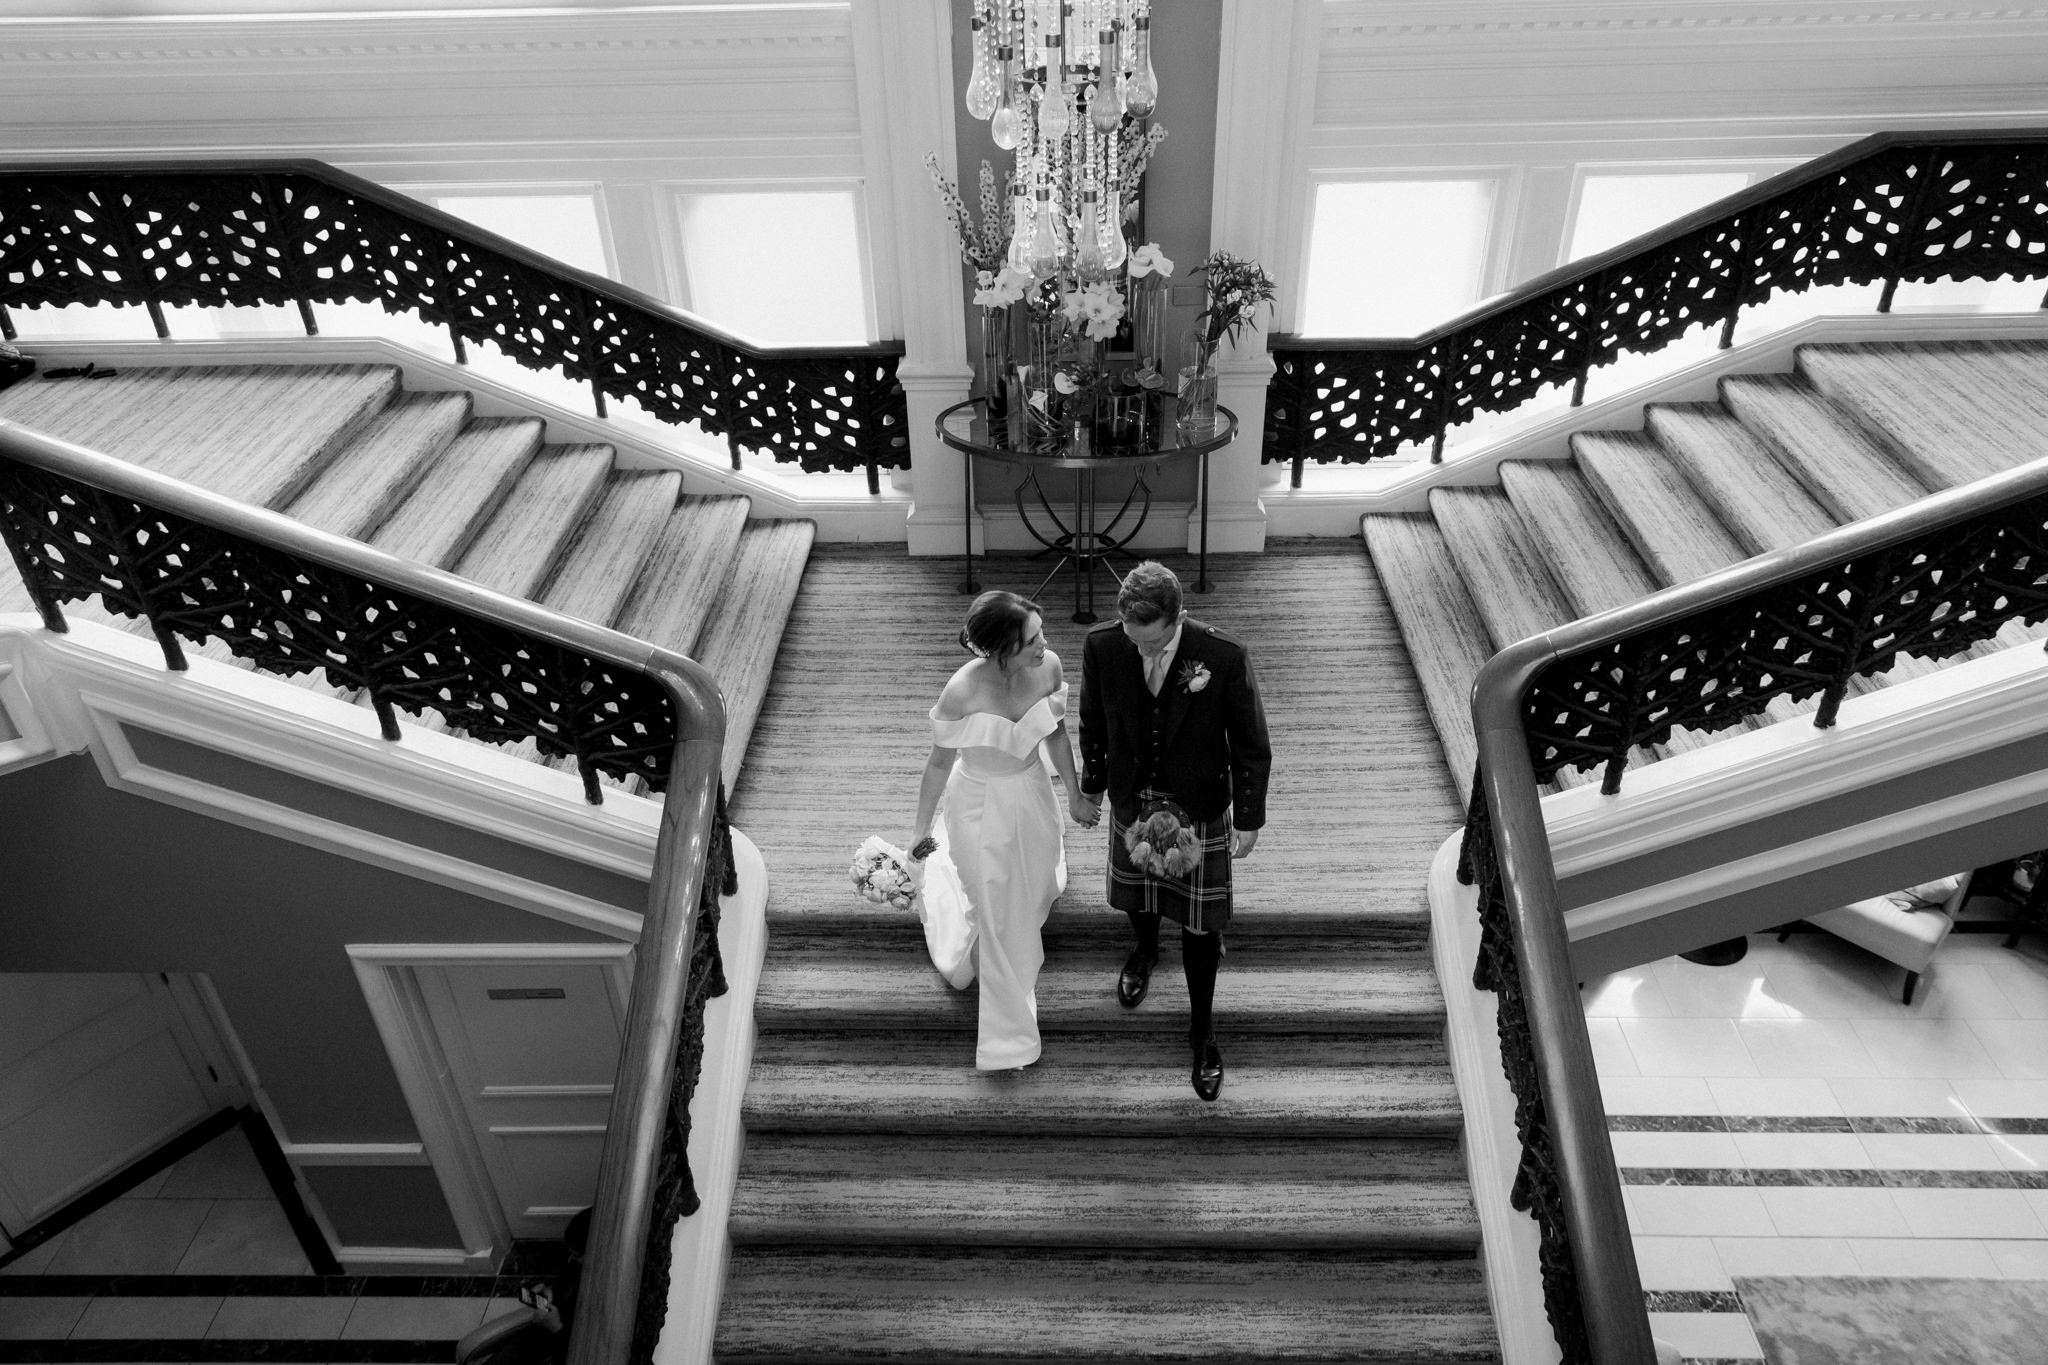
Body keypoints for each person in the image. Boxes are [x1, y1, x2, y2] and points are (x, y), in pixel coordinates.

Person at [1075, 561, 1271, 1101]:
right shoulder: (1104, 646)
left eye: (1153, 642)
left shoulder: (1224, 656)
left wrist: (1249, 818)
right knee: (1138, 898)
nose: (1140, 651)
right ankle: (1143, 951)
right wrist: (1092, 783)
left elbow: (1251, 742)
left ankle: (1202, 1031)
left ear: (1178, 616)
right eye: (1133, 640)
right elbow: (1093, 718)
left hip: (1201, 801)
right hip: (1132, 794)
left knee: (1200, 925)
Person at [911, 590, 1082, 1070]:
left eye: (1041, 632)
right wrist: (921, 831)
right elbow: (937, 765)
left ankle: (1008, 936)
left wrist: (1072, 793)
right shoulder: (961, 692)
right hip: (976, 805)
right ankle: (1010, 1035)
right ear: (1002, 648)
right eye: (1032, 639)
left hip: (1030, 792)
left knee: (1032, 885)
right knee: (994, 901)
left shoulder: (1049, 668)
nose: (1044, 645)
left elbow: (1056, 733)